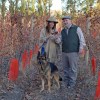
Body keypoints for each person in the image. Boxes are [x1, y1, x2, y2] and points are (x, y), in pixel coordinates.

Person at [61, 15, 86, 88]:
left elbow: (82, 39)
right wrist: (56, 38)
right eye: (64, 21)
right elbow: (60, 41)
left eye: (66, 20)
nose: (65, 22)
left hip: (73, 52)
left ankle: (72, 83)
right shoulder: (63, 31)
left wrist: (81, 48)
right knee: (65, 68)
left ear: (70, 20)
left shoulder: (77, 28)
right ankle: (65, 82)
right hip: (64, 52)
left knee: (72, 68)